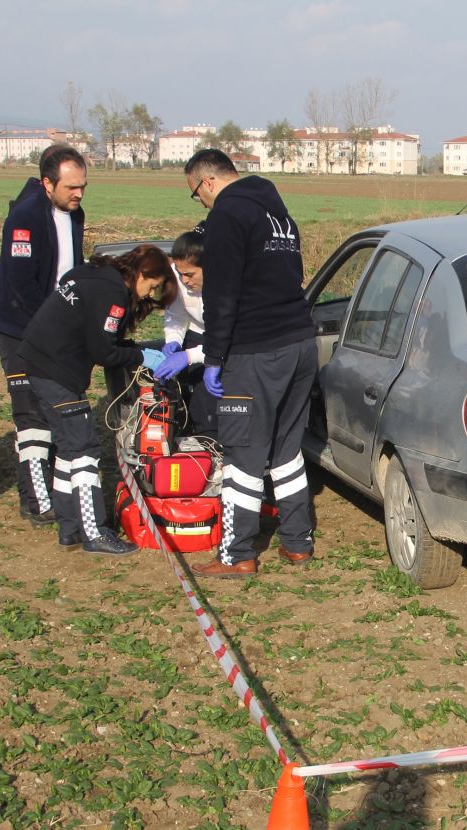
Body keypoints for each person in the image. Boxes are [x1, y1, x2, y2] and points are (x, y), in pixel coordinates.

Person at [183, 148, 318, 578]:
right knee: (286, 449)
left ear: (207, 182)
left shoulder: (227, 214)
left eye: (196, 194)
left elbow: (221, 295)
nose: (202, 203)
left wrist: (214, 357)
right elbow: (292, 276)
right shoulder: (279, 214)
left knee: (242, 452)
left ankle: (236, 553)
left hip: (255, 351)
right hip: (299, 343)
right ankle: (298, 543)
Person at [18, 244, 181, 555]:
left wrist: (126, 346)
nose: (149, 295)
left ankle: (71, 529)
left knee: (67, 449)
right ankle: (96, 532)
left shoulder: (93, 272)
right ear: (143, 273)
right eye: (153, 286)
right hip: (57, 371)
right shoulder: (115, 295)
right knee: (84, 451)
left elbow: (93, 332)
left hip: (37, 363)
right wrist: (140, 355)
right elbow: (104, 352)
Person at [0, 143, 87, 527]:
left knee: (59, 408)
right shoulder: (24, 219)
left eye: (82, 187)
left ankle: (65, 490)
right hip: (21, 331)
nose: (78, 194)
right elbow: (21, 285)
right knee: (31, 414)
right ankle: (36, 500)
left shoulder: (75, 216)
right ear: (48, 184)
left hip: (57, 329)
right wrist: (46, 332)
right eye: (70, 187)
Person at [162, 227, 218, 437]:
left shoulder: (225, 286)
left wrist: (189, 356)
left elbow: (226, 338)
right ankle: (201, 437)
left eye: (190, 274)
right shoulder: (180, 280)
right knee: (200, 399)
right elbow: (175, 315)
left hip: (225, 340)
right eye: (180, 273)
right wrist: (173, 340)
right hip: (198, 334)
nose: (185, 280)